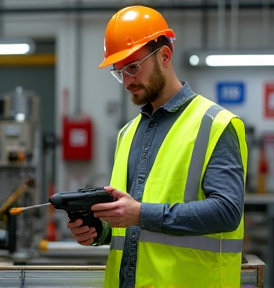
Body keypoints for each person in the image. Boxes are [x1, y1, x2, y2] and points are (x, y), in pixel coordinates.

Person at [67, 5, 248, 288]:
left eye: (133, 67)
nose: (127, 81)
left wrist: (139, 213)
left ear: (165, 55)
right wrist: (99, 231)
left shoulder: (215, 124)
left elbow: (226, 212)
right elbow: (132, 222)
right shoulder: (127, 133)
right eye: (119, 72)